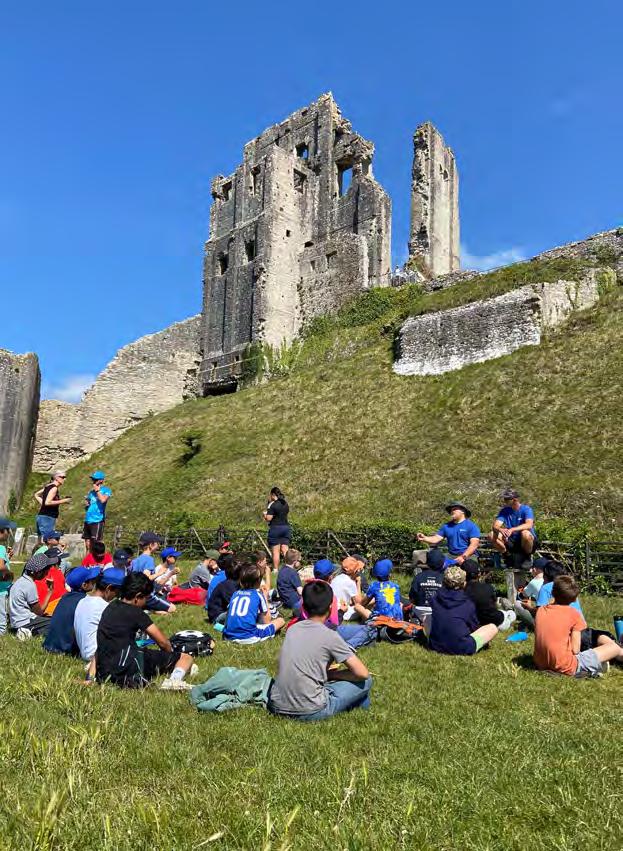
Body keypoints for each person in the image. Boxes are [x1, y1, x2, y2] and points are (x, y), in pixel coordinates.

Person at [268, 581, 372, 721]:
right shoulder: (330, 636)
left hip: (276, 704)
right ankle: (361, 705)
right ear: (330, 607)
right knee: (366, 681)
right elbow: (362, 673)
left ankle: (360, 704)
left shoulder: (293, 629)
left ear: (303, 607)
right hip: (311, 710)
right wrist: (332, 675)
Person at [95, 572, 195, 690]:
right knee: (185, 658)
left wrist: (90, 677)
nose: (146, 602)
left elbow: (98, 648)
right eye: (146, 598)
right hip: (127, 668)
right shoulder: (136, 613)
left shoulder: (110, 607)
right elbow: (163, 642)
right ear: (138, 597)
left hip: (105, 670)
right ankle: (174, 680)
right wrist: (169, 655)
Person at [534, 575, 623, 677]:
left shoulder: (540, 611)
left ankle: (598, 665)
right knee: (614, 647)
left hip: (540, 664)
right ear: (574, 599)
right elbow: (575, 650)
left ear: (553, 593)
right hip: (566, 666)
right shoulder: (573, 614)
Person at [428, 566, 499, 656]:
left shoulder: (435, 598)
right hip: (461, 648)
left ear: (443, 582)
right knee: (492, 627)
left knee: (428, 617)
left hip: (435, 645)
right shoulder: (467, 603)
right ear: (464, 583)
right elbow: (474, 627)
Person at [337, 559, 402, 649]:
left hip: (381, 620)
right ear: (389, 574)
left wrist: (358, 584)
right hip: (397, 620)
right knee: (400, 604)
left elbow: (362, 603)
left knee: (357, 606)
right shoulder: (396, 586)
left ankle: (364, 622)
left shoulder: (374, 586)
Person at [74, 567, 125, 677]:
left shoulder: (82, 601)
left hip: (84, 653)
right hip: (96, 655)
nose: (118, 596)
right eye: (118, 592)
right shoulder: (105, 607)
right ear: (109, 588)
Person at [43, 566, 101, 655]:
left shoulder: (65, 597)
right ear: (84, 585)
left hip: (49, 645)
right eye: (91, 580)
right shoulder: (84, 601)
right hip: (66, 649)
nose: (94, 581)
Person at [223, 563, 285, 644]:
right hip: (249, 636)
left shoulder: (235, 594)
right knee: (280, 621)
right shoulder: (258, 595)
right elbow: (266, 621)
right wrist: (265, 597)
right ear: (258, 582)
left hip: (229, 635)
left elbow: (228, 617)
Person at [8, 552, 62, 639]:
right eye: (46, 569)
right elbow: (39, 613)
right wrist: (50, 592)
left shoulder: (20, 581)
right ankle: (26, 631)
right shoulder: (29, 585)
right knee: (57, 624)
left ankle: (27, 631)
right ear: (38, 572)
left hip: (16, 621)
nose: (47, 572)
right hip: (25, 621)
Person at [489, 489, 538, 566]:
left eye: (506, 499)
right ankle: (506, 555)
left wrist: (512, 529)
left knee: (525, 533)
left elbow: (529, 524)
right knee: (492, 535)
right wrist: (500, 529)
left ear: (515, 500)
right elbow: (495, 525)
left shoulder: (526, 509)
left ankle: (527, 557)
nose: (504, 501)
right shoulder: (505, 511)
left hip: (525, 541)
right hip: (511, 540)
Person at [464, 560, 516, 630]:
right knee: (511, 614)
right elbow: (494, 606)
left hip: (475, 623)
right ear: (479, 574)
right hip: (495, 622)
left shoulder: (461, 592)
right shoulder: (488, 587)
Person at [131, 532, 175, 613]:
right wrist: (159, 573)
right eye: (157, 543)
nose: (159, 545)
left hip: (135, 594)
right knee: (173, 608)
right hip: (147, 595)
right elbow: (146, 578)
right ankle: (150, 610)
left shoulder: (135, 560)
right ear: (151, 545)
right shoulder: (149, 560)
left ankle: (145, 608)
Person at [408, 547, 445, 631]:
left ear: (427, 562)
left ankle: (417, 623)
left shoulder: (419, 577)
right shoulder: (444, 578)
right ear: (443, 564)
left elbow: (412, 597)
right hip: (438, 612)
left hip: (420, 611)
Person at [34, 471, 71, 541]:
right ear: (56, 478)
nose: (64, 479)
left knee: (41, 542)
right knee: (49, 541)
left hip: (42, 516)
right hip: (47, 518)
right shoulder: (54, 488)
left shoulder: (48, 487)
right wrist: (64, 501)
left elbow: (36, 495)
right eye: (63, 477)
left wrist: (43, 503)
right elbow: (47, 502)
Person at [263, 486, 291, 572]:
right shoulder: (285, 503)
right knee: (285, 549)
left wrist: (264, 514)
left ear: (272, 494)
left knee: (276, 551)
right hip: (286, 527)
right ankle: (289, 567)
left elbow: (269, 518)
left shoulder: (273, 504)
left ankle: (275, 570)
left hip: (276, 528)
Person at [514, 557, 547, 629]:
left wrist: (521, 588)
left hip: (542, 616)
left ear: (534, 569)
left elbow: (524, 594)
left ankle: (533, 624)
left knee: (518, 603)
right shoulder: (550, 580)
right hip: (553, 613)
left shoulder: (534, 582)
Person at [83, 471, 112, 552]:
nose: (94, 481)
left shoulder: (106, 490)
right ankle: (88, 558)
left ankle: (99, 557)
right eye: (93, 479)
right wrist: (87, 504)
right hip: (88, 519)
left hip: (97, 519)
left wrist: (97, 491)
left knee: (96, 542)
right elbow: (88, 506)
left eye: (96, 479)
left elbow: (103, 500)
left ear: (101, 480)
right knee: (87, 542)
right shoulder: (91, 492)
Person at [331, 555, 366, 621]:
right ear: (354, 571)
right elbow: (359, 603)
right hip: (344, 614)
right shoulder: (350, 582)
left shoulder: (336, 578)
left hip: (333, 611)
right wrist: (358, 582)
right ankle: (364, 620)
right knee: (369, 602)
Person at [207, 558, 242, 624]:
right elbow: (235, 606)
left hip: (224, 612)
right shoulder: (228, 586)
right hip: (217, 616)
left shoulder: (233, 583)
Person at [33, 548, 67, 614]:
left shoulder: (37, 576)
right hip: (55, 610)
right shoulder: (59, 574)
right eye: (59, 561)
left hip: (42, 610)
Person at [276, 549, 303, 614]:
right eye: (299, 561)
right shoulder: (293, 573)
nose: (300, 562)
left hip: (284, 600)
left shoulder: (281, 570)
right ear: (295, 561)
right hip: (294, 602)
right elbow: (300, 592)